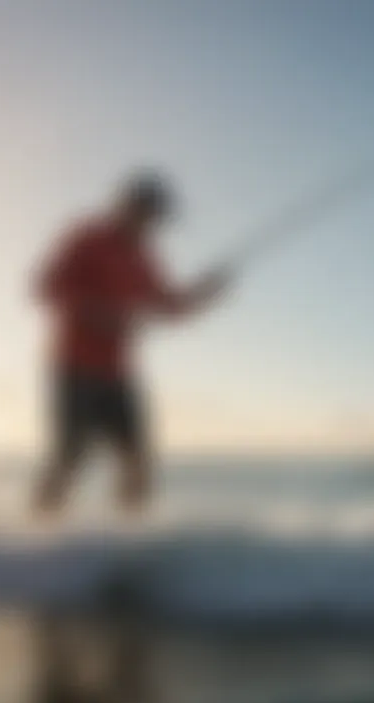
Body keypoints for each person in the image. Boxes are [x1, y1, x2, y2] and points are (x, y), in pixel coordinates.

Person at [32, 171, 231, 515]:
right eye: (148, 213)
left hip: (118, 372)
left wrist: (204, 292)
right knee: (71, 454)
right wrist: (95, 312)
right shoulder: (86, 237)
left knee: (138, 459)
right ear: (126, 205)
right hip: (74, 364)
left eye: (157, 218)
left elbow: (169, 305)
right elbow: (47, 286)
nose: (151, 224)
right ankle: (38, 533)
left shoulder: (143, 258)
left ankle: (129, 537)